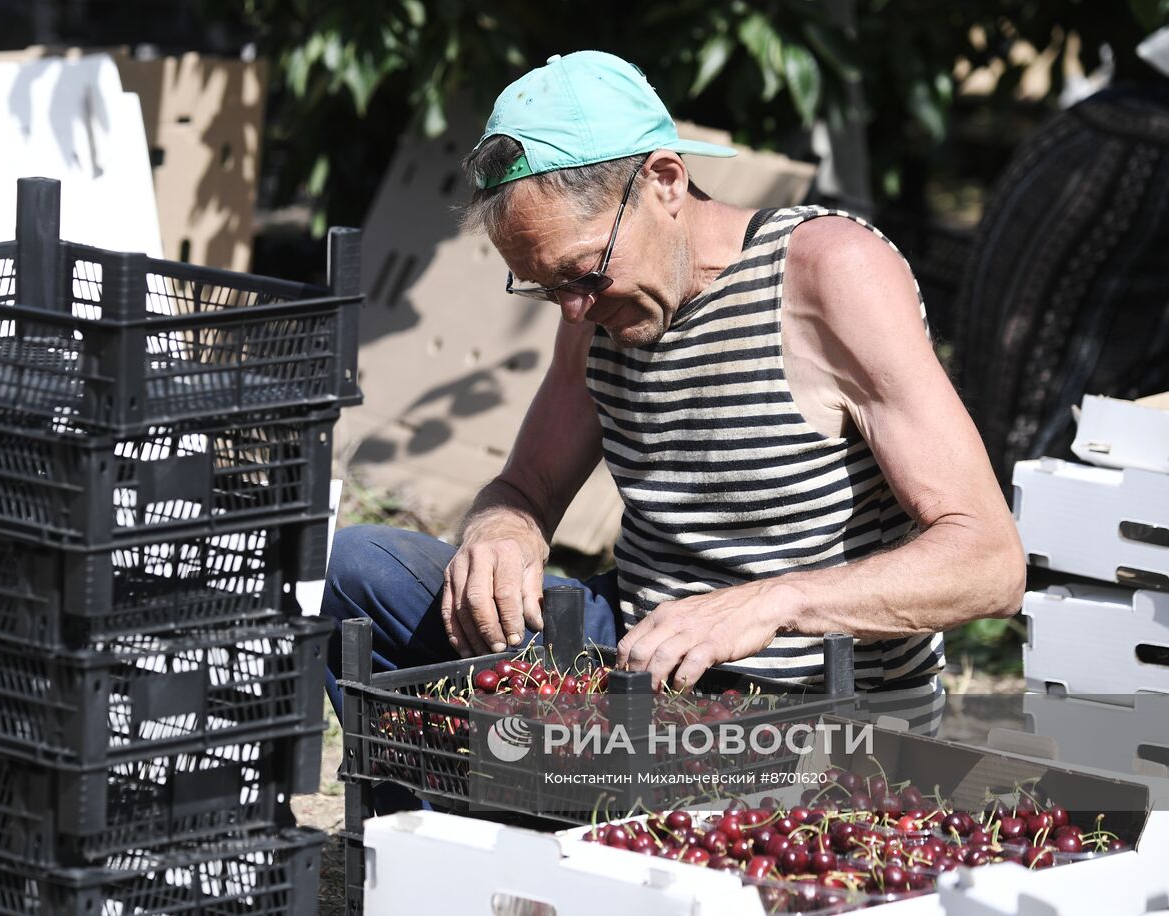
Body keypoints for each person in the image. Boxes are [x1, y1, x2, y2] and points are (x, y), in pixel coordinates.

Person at [322, 50, 1024, 742]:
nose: (571, 310)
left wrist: (776, 602)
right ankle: (440, 831)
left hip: (811, 708)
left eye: (583, 274)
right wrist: (501, 531)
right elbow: (527, 485)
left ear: (664, 181)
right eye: (546, 288)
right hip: (643, 664)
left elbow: (989, 563)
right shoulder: (601, 304)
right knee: (358, 572)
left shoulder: (830, 272)